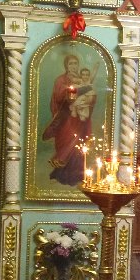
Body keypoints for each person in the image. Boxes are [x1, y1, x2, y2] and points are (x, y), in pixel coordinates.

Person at [42, 55, 97, 186]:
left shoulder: (82, 78)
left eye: (75, 63)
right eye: (71, 63)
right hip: (66, 118)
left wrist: (88, 98)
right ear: (66, 66)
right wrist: (70, 91)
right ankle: (61, 174)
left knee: (78, 145)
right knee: (66, 142)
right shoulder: (61, 80)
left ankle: (77, 174)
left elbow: (91, 94)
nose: (73, 66)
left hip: (80, 119)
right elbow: (58, 96)